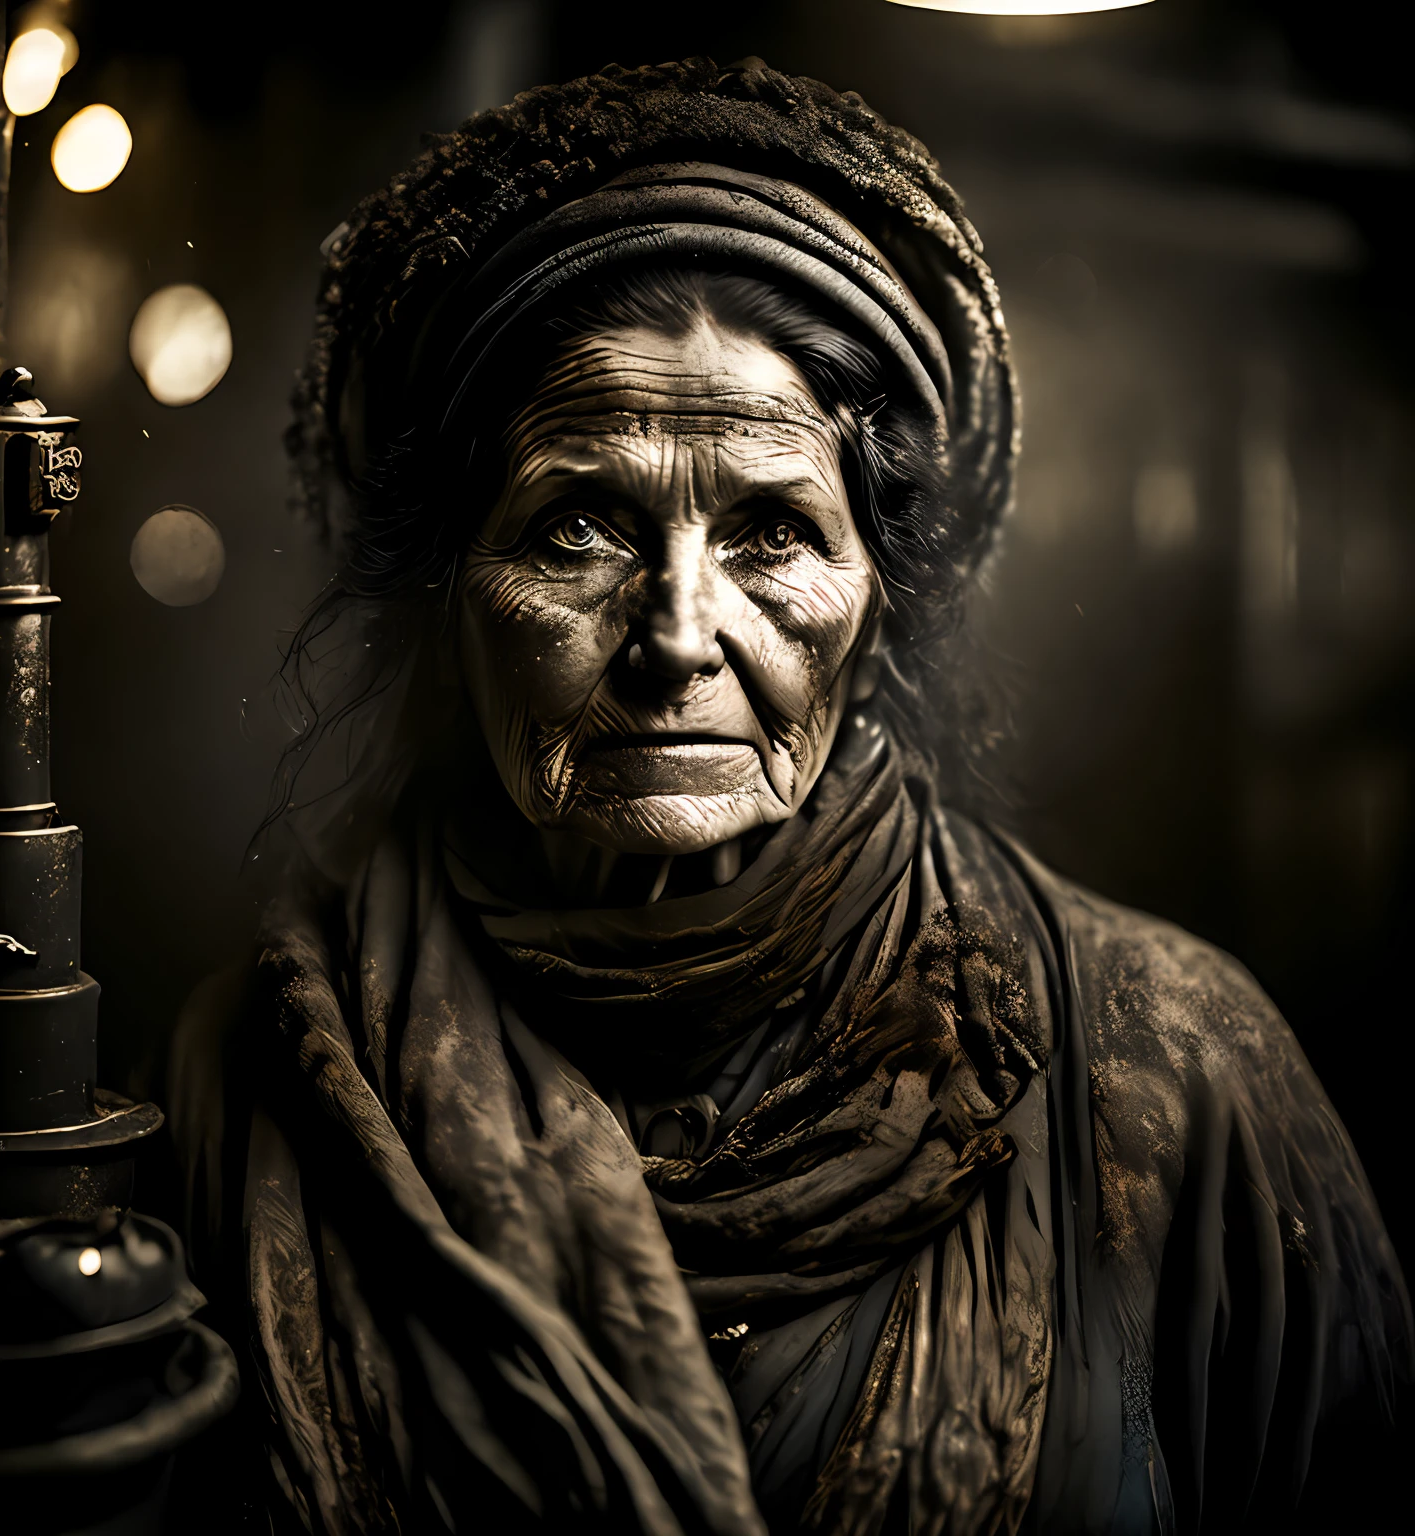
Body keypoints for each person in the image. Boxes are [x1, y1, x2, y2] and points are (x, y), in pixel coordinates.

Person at [171, 58, 1409, 1535]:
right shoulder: (259, 1074)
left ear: (882, 609)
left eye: (770, 532)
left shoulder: (1179, 1073)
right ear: (451, 600)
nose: (678, 637)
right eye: (578, 526)